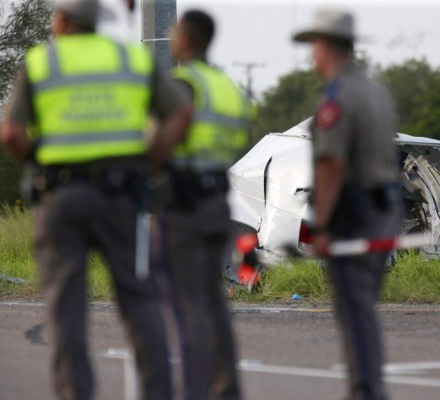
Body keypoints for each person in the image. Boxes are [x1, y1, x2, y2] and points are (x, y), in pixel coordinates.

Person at [0, 0, 191, 399]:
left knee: (66, 311)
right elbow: (180, 113)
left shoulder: (40, 63)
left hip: (60, 197)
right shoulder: (132, 60)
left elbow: (11, 134)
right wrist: (149, 159)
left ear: (63, 20)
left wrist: (38, 161)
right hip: (121, 196)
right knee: (141, 303)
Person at [293, 10, 402, 400]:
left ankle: (367, 391)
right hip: (384, 210)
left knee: (355, 313)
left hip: (354, 214)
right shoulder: (376, 91)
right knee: (363, 307)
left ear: (326, 45)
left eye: (313, 46)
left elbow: (331, 165)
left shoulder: (337, 96)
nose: (311, 56)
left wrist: (320, 227)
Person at [161, 9, 253, 400]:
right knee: (213, 302)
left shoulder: (183, 84)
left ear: (188, 38)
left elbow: (165, 137)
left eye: (174, 31)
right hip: (218, 200)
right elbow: (241, 135)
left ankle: (195, 389)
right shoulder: (228, 87)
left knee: (186, 304)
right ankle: (225, 388)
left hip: (183, 203)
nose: (169, 36)